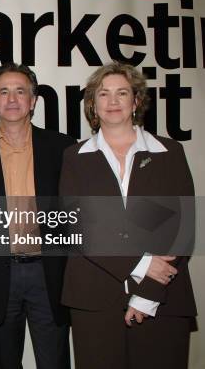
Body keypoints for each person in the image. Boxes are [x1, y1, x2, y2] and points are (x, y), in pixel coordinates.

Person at [59, 62, 197, 369]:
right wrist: (142, 262)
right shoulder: (74, 157)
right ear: (92, 104)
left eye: (122, 93)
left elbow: (182, 229)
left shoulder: (169, 152)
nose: (113, 101)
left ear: (136, 101)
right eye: (103, 94)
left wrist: (147, 292)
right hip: (94, 300)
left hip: (164, 296)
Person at [0, 63, 74, 369]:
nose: (11, 99)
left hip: (48, 273)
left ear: (33, 100)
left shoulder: (63, 148)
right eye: (3, 91)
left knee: (55, 361)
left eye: (20, 91)